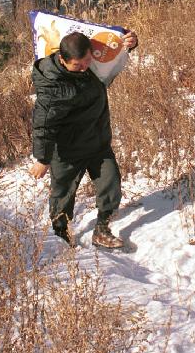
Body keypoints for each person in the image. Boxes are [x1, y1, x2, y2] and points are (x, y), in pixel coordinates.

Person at [29, 30, 138, 249]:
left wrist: (129, 42)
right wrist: (42, 158)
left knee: (111, 184)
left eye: (87, 61)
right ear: (63, 59)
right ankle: (61, 236)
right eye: (77, 66)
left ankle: (102, 230)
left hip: (97, 143)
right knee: (62, 196)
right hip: (68, 150)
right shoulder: (52, 86)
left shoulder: (93, 63)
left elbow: (114, 50)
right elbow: (44, 125)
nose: (85, 68)